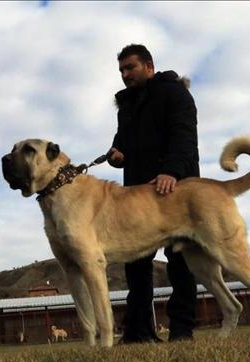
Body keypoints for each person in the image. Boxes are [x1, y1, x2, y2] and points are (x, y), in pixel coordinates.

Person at [107, 44, 199, 343]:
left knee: (181, 262)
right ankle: (138, 332)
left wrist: (171, 170)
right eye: (121, 70)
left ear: (149, 66)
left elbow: (184, 135)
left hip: (175, 191)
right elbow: (122, 142)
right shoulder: (127, 106)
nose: (124, 75)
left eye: (130, 67)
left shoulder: (175, 93)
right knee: (136, 264)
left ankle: (182, 331)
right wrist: (116, 154)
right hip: (137, 195)